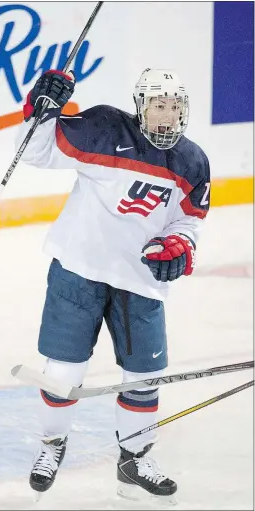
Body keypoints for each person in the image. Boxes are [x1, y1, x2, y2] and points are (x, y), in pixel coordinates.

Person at [16, 68, 210, 502]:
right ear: (141, 107)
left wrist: (178, 241)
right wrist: (41, 109)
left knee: (144, 376)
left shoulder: (192, 160)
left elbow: (190, 217)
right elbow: (36, 153)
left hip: (139, 280)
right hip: (78, 268)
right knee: (63, 373)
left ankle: (134, 459)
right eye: (159, 105)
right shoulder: (104, 127)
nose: (168, 116)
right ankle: (51, 446)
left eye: (175, 107)